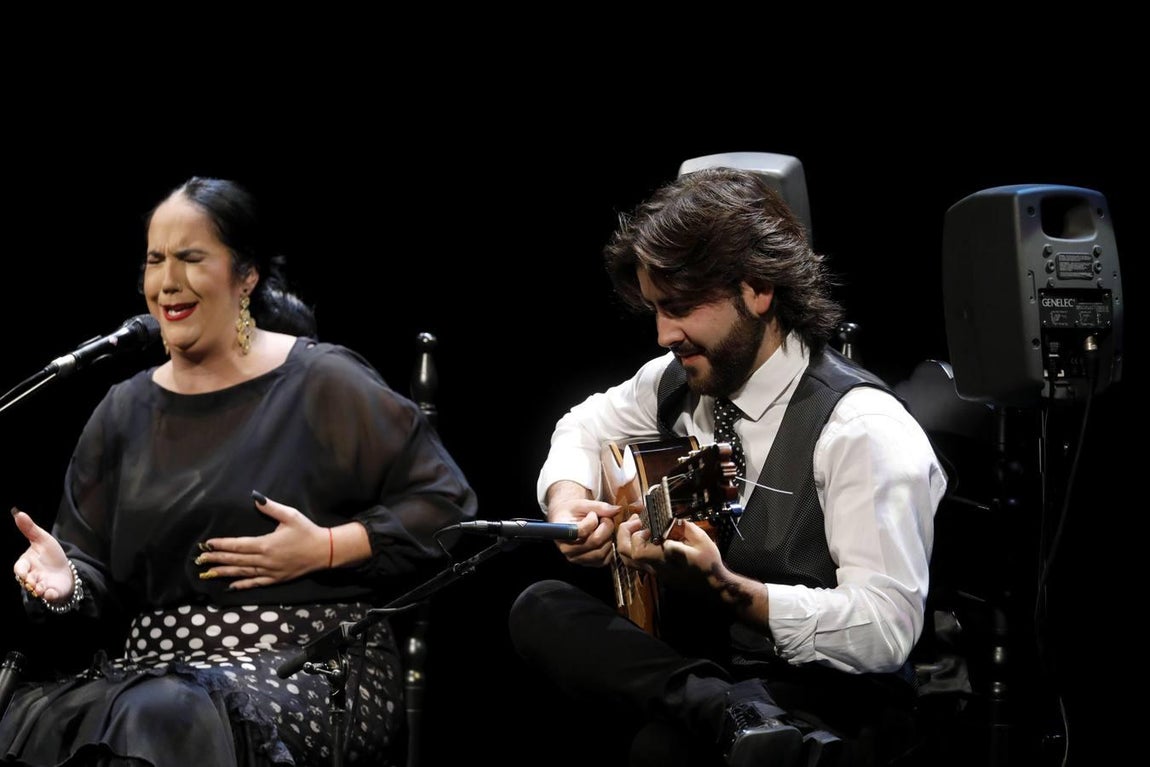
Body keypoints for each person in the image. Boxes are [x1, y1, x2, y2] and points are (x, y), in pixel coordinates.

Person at [1, 177, 478, 766]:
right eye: (155, 260)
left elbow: (446, 508)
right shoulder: (120, 411)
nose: (167, 281)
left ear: (246, 275)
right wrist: (67, 582)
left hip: (309, 665)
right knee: (52, 723)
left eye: (190, 258)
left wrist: (329, 547)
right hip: (151, 677)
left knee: (160, 717)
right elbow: (90, 567)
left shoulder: (321, 382)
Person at [508, 167, 947, 767]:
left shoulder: (861, 428)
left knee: (661, 749)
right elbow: (583, 426)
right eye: (656, 310)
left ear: (758, 289)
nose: (665, 334)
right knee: (539, 607)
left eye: (682, 307)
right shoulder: (683, 381)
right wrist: (567, 500)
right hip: (708, 672)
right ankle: (725, 712)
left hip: (834, 697)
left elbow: (884, 629)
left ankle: (727, 717)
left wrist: (729, 590)